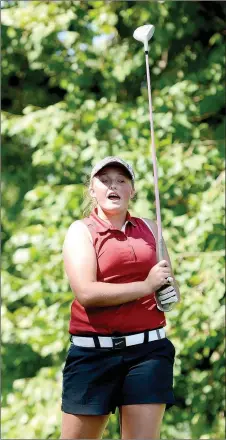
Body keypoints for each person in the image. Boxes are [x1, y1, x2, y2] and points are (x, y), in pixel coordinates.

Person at [61, 156, 180, 440]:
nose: (113, 185)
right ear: (92, 190)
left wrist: (168, 292)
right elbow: (87, 293)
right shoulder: (81, 232)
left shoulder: (151, 228)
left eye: (121, 180)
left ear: (132, 190)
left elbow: (168, 288)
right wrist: (146, 286)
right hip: (93, 354)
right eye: (104, 180)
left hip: (149, 352)